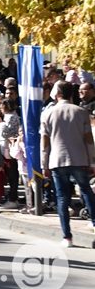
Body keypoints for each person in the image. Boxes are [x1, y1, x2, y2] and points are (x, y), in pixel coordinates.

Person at [40, 81, 95, 247]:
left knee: (62, 197)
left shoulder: (48, 114)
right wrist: (92, 160)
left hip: (57, 159)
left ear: (57, 94)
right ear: (72, 94)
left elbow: (45, 142)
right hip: (79, 158)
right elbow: (88, 139)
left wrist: (44, 164)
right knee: (86, 191)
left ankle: (67, 236)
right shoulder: (81, 112)